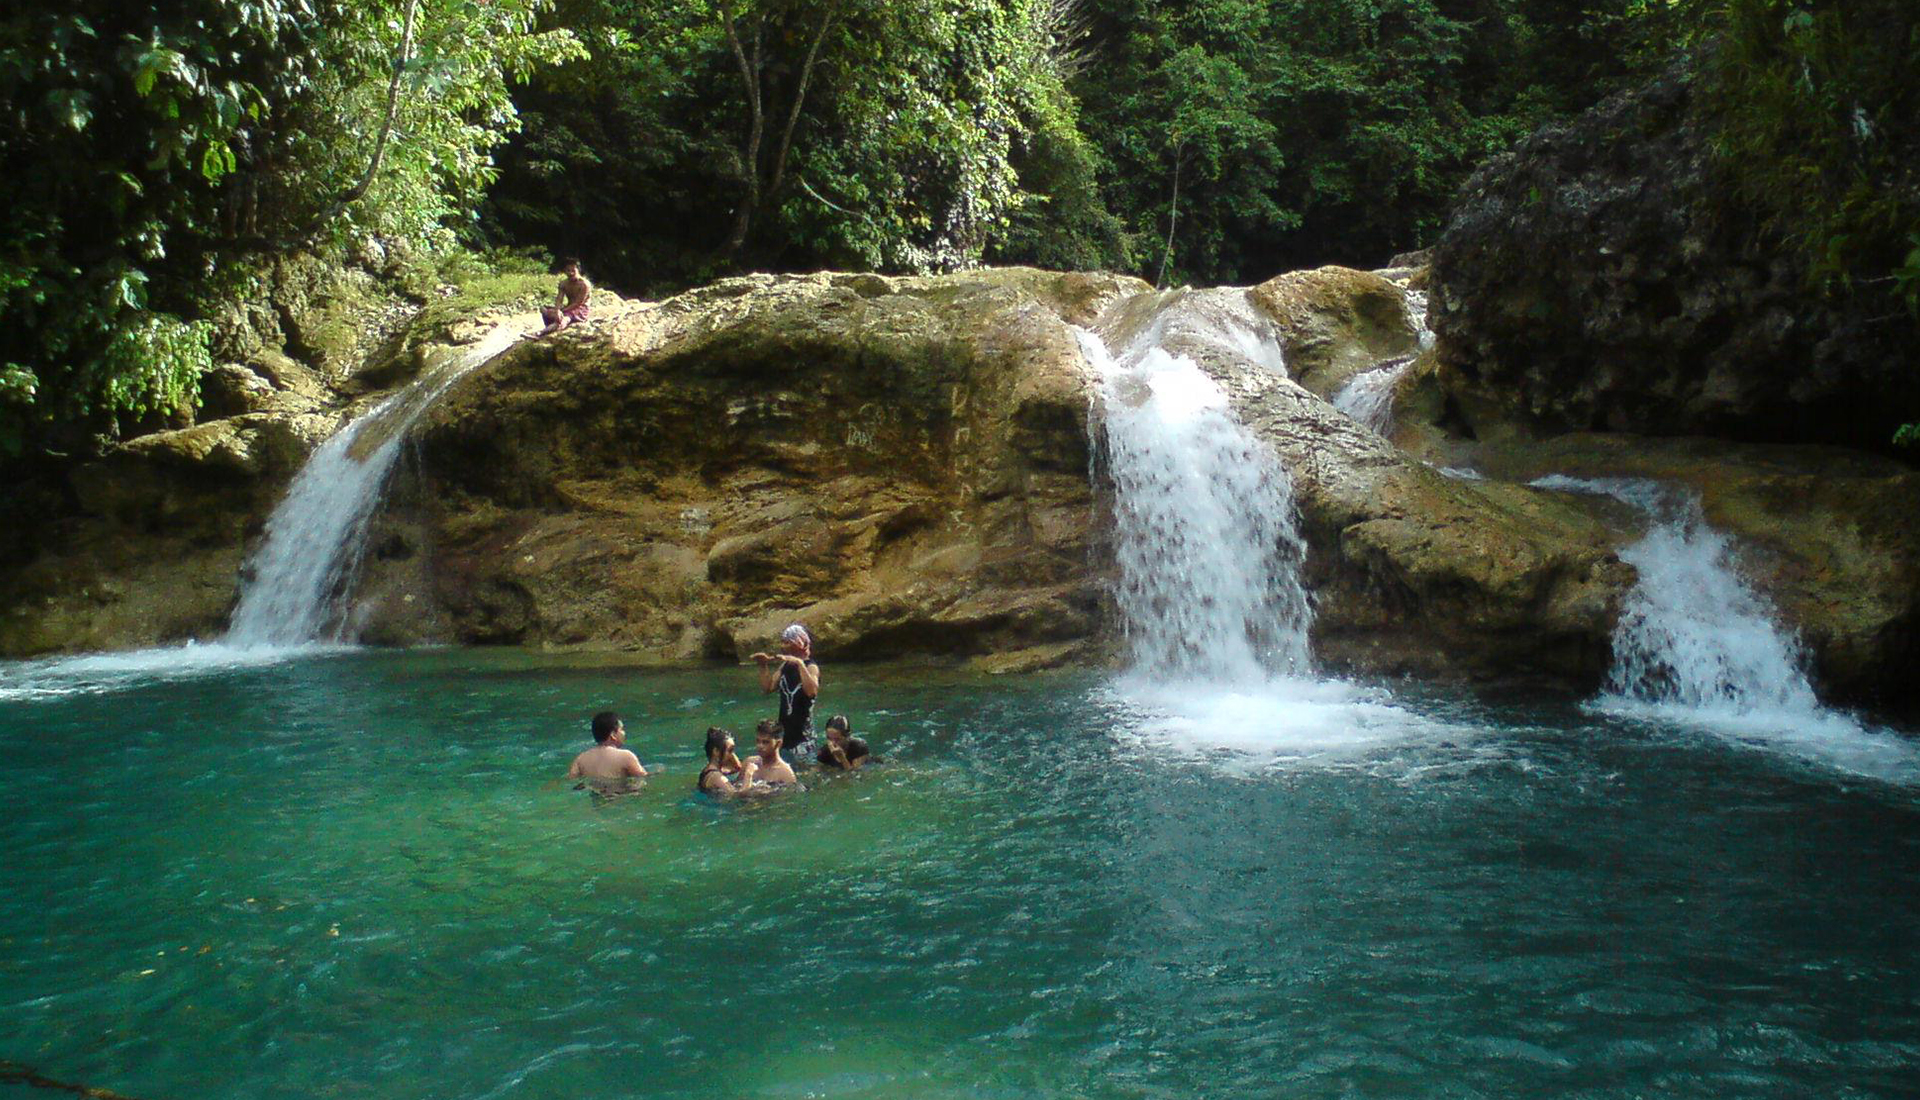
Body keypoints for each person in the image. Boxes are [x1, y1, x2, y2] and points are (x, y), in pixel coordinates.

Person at [751, 623, 820, 756]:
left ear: (800, 643)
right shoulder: (785, 666)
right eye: (782, 642)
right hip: (785, 732)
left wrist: (799, 664)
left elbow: (811, 692)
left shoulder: (811, 667)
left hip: (804, 735)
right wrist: (763, 665)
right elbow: (768, 688)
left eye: (787, 642)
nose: (783, 646)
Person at [567, 711, 647, 782]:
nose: (624, 733)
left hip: (596, 796)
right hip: (621, 796)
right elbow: (643, 778)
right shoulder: (626, 756)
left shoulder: (581, 759)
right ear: (613, 735)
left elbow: (572, 781)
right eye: (621, 729)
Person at [536, 259, 592, 337]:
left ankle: (541, 333)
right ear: (565, 271)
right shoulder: (563, 284)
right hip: (567, 308)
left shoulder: (584, 284)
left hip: (580, 310)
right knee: (543, 309)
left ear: (578, 270)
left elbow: (578, 303)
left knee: (564, 319)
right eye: (568, 270)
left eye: (573, 270)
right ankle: (550, 326)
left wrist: (562, 311)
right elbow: (559, 299)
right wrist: (557, 310)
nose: (571, 273)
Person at [738, 719, 797, 788]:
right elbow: (736, 793)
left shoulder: (785, 774)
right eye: (758, 741)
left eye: (765, 742)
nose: (760, 746)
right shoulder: (749, 762)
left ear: (778, 744)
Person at [697, 726, 745, 796]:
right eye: (730, 751)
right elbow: (737, 795)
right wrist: (749, 775)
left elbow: (738, 768)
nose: (732, 755)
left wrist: (731, 752)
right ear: (716, 751)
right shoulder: (716, 776)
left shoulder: (708, 771)